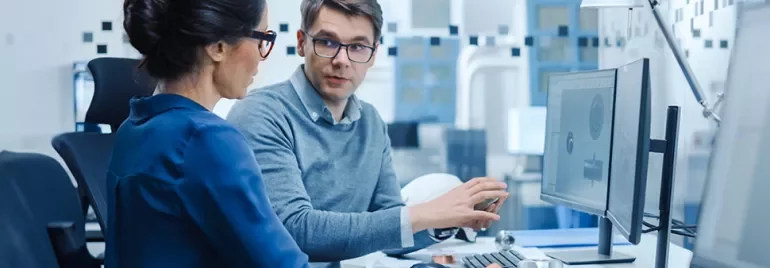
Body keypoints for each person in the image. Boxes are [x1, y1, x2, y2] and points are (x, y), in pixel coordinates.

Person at [226, 0, 509, 266]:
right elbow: (296, 230)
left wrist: (450, 219)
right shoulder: (261, 115)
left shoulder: (370, 122)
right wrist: (426, 213)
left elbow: (389, 229)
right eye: (327, 42)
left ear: (373, 54)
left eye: (358, 47)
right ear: (302, 43)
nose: (342, 60)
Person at [105, 0, 310, 267]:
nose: (261, 56)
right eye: (261, 38)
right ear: (218, 47)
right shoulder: (205, 140)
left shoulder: (132, 130)